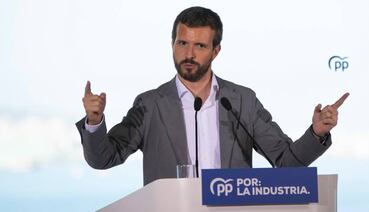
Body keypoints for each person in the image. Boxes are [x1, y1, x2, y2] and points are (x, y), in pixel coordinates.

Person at [76, 6, 349, 185]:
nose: (189, 54)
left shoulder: (241, 101)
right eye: (182, 43)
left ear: (216, 50)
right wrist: (95, 120)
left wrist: (316, 133)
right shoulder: (149, 105)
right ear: (172, 44)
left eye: (199, 46)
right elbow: (103, 158)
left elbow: (287, 163)